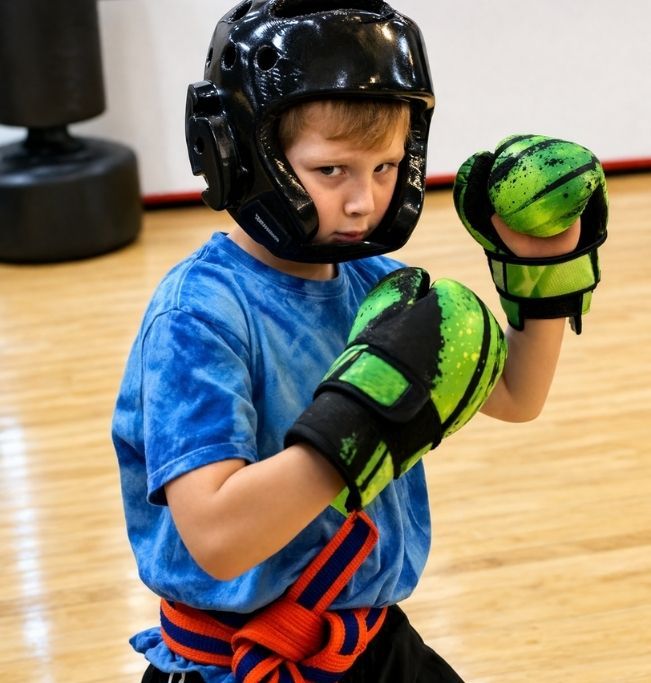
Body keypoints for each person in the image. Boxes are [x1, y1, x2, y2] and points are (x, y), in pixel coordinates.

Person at [112, 2, 608, 682]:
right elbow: (219, 540)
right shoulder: (199, 312)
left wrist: (540, 269)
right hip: (238, 662)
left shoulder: (377, 285)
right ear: (242, 156)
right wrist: (366, 420)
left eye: (384, 167)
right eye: (331, 170)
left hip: (368, 641)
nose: (362, 201)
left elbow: (516, 395)